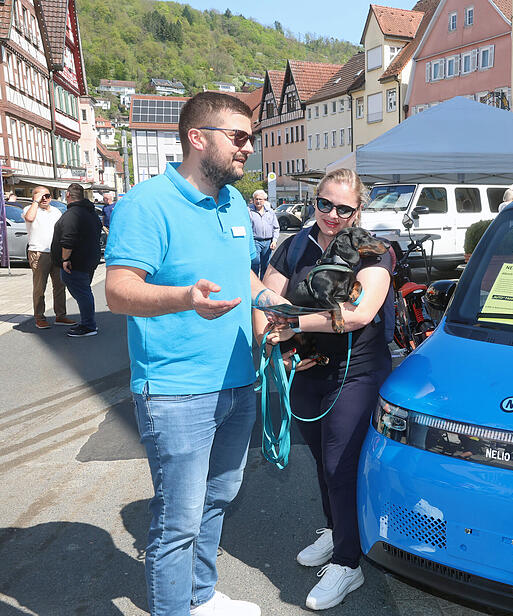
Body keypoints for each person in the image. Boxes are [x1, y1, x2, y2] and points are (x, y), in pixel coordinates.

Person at [104, 92, 286, 616]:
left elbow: (244, 277)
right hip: (176, 392)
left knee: (217, 501)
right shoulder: (146, 203)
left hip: (236, 382)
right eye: (239, 137)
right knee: (176, 522)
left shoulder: (233, 203)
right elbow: (118, 291)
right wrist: (183, 298)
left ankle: (200, 598)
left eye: (250, 138)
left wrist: (274, 308)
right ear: (197, 137)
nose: (248, 148)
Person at [259, 167, 393, 611]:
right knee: (321, 459)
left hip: (355, 370)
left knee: (341, 465)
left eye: (343, 208)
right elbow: (263, 295)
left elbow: (359, 313)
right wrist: (283, 346)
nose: (332, 215)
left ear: (359, 210)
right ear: (313, 201)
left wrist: (290, 323)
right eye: (324, 204)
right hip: (307, 368)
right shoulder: (293, 244)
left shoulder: (375, 252)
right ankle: (337, 530)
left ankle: (347, 563)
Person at [51, 184, 102, 337]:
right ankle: (88, 322)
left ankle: (89, 325)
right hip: (89, 258)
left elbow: (68, 239)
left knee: (82, 293)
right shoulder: (90, 212)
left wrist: (65, 258)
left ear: (68, 195)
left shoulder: (73, 214)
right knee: (84, 292)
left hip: (76, 262)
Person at [22, 185, 75, 329]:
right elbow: (30, 218)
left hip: (55, 252)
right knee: (40, 287)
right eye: (41, 196)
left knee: (59, 285)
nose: (44, 199)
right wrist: (35, 202)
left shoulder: (56, 211)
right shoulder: (29, 209)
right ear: (34, 197)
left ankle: (61, 315)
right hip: (38, 252)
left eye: (47, 196)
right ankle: (39, 317)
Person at [248, 189, 279, 276]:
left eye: (260, 199)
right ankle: (254, 286)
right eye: (256, 199)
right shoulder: (249, 211)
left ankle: (263, 285)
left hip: (268, 243)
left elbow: (276, 227)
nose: (258, 201)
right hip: (255, 242)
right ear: (253, 200)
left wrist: (274, 240)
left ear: (265, 200)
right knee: (255, 264)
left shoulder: (270, 212)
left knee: (266, 265)